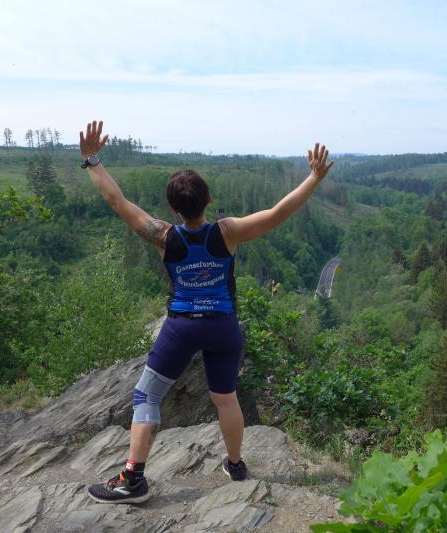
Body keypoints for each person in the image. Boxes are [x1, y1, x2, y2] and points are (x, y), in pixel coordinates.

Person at [81, 120, 334, 504]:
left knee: (147, 395)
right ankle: (235, 465)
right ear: (209, 199)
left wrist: (92, 160)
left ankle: (133, 479)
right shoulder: (227, 232)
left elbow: (118, 202)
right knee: (226, 398)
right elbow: (278, 213)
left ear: (174, 208)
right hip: (223, 327)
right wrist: (313, 178)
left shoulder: (164, 235)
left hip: (181, 327)